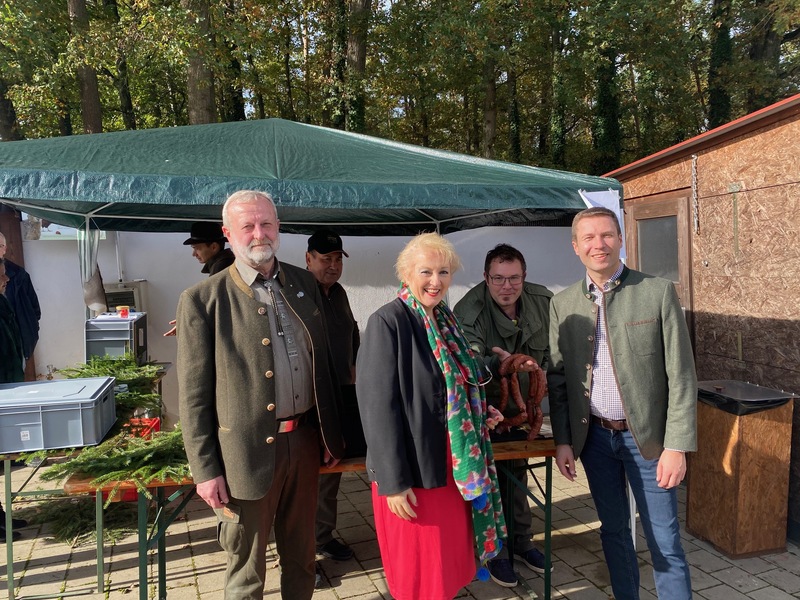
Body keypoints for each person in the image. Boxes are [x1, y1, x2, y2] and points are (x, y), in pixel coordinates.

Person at [176, 190, 344, 600]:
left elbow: (323, 364)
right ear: (227, 233)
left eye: (266, 224)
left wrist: (329, 433)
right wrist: (205, 470)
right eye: (247, 225)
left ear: (278, 228)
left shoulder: (304, 282)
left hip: (304, 443)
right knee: (246, 575)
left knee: (302, 561)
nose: (258, 233)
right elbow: (193, 396)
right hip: (243, 456)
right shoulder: (202, 300)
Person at [547, 206, 696, 600]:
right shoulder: (562, 304)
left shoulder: (656, 292)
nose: (600, 244)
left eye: (607, 235)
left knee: (664, 539)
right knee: (613, 532)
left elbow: (681, 377)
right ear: (575, 247)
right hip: (595, 440)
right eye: (590, 238)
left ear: (620, 240)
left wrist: (676, 445)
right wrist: (564, 440)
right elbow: (559, 379)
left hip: (648, 442)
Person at [356, 233, 506, 600]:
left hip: (450, 468)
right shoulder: (388, 322)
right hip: (413, 475)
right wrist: (392, 481)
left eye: (443, 271)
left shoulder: (445, 321)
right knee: (420, 575)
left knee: (448, 567)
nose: (435, 281)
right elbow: (376, 407)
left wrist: (480, 411)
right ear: (406, 274)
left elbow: (451, 387)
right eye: (426, 271)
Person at [454, 243, 553, 587]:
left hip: (526, 411)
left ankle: (522, 543)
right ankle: (493, 551)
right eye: (498, 279)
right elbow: (466, 365)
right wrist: (498, 362)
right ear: (485, 278)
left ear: (524, 277)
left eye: (514, 279)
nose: (506, 287)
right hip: (485, 412)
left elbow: (555, 358)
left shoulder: (542, 302)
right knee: (489, 482)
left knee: (518, 476)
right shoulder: (469, 311)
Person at [305, 229, 363, 585]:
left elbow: (351, 334)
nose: (334, 266)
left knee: (332, 470)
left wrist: (356, 367)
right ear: (308, 258)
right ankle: (299, 557)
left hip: (342, 394)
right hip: (309, 400)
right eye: (326, 259)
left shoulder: (339, 293)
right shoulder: (296, 293)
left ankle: (322, 537)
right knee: (305, 478)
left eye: (338, 259)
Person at [163, 221, 235, 336]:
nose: (194, 254)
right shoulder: (224, 263)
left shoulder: (222, 267)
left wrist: (190, 320)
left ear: (214, 247)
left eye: (197, 248)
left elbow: (214, 306)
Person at [0, 257, 28, 542]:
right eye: (1, 277)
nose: (6, 279)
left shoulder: (3, 301)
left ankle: (0, 516)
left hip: (7, 388)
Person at [0, 232, 41, 365]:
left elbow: (35, 310)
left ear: (5, 249)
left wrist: (30, 331)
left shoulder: (19, 274)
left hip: (18, 345)